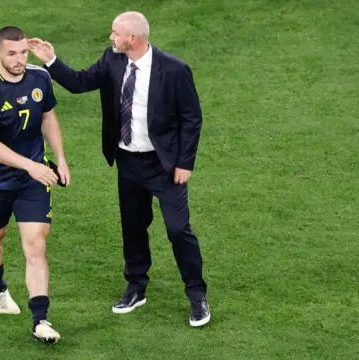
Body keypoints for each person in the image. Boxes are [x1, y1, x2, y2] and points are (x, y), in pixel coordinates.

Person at [28, 11, 210, 327]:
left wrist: (184, 163)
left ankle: (197, 296)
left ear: (133, 39)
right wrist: (51, 60)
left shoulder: (175, 69)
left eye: (115, 33)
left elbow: (192, 118)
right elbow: (80, 82)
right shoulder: (112, 61)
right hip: (128, 162)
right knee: (133, 227)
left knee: (178, 229)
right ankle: (136, 287)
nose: (110, 38)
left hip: (164, 166)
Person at [0, 25, 70, 343]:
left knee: (36, 245)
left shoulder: (40, 77)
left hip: (33, 180)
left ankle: (40, 320)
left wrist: (60, 159)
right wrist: (31, 165)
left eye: (24, 52)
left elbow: (48, 117)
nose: (19, 59)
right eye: (12, 53)